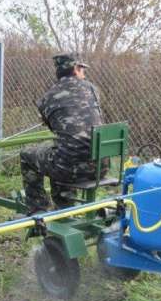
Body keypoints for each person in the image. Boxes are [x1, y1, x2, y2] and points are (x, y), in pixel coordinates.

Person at [20, 53, 108, 214]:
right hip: (100, 166)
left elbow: (54, 128)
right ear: (75, 69)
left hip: (68, 168)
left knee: (27, 155)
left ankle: (38, 208)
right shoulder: (93, 89)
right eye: (82, 69)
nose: (84, 73)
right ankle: (64, 208)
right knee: (61, 153)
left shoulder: (46, 98)